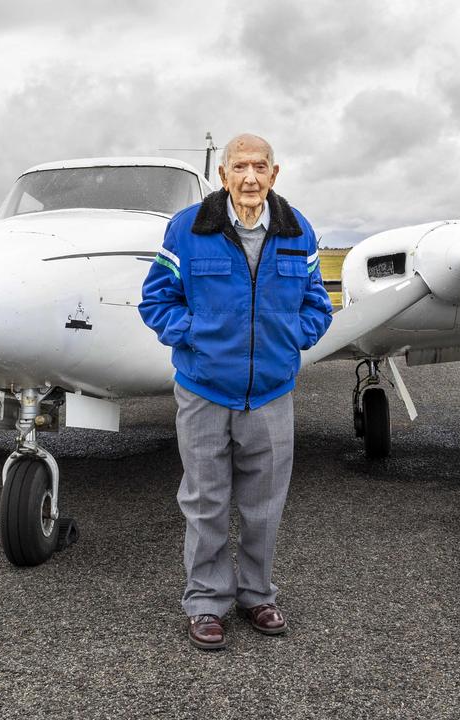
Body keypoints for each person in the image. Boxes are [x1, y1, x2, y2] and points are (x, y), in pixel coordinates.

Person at [139, 134, 333, 650]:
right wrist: (195, 339)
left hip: (271, 391)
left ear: (275, 174)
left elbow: (317, 302)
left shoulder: (298, 231)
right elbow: (156, 299)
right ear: (222, 176)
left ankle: (257, 594)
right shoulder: (188, 229)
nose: (250, 177)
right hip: (203, 390)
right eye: (239, 167)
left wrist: (293, 339)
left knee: (264, 504)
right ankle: (206, 601)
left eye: (260, 167)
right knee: (206, 500)